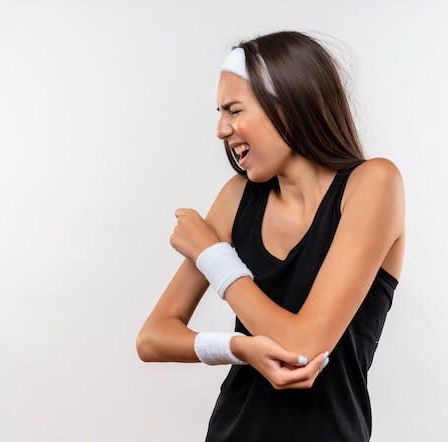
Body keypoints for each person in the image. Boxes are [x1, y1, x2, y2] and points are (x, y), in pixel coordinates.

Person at [136, 30, 405, 441]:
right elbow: (152, 338)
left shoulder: (373, 184)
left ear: (288, 106)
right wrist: (239, 348)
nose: (221, 130)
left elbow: (304, 347)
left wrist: (214, 255)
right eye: (220, 112)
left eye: (234, 110)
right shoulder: (237, 198)